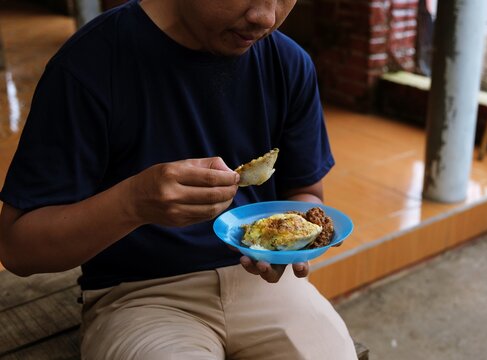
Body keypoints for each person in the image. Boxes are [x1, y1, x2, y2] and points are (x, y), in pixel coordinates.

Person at [0, 0, 358, 359]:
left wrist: (298, 235)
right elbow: (18, 248)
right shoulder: (90, 65)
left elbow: (306, 191)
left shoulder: (289, 63)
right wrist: (132, 203)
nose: (266, 18)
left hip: (267, 288)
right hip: (140, 297)